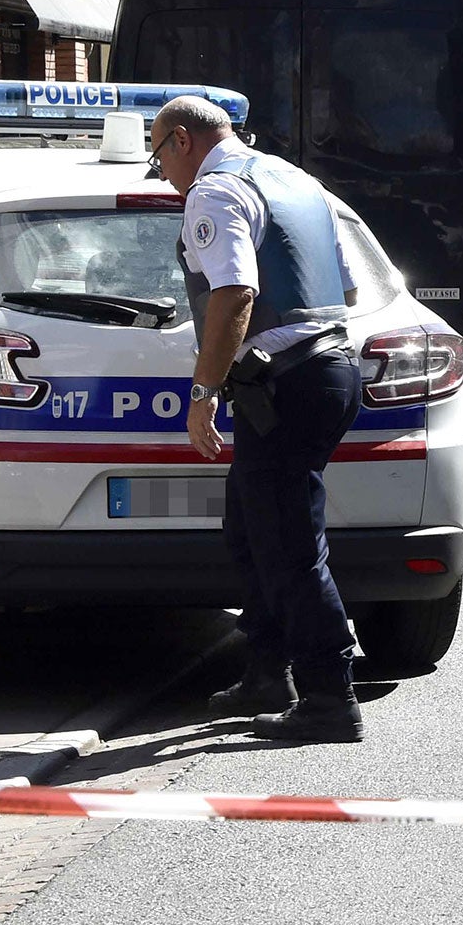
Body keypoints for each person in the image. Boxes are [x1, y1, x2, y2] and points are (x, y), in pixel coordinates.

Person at [150, 96, 366, 744]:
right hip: (325, 370)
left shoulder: (215, 193)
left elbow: (236, 292)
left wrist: (203, 392)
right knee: (250, 533)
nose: (163, 174)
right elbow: (347, 286)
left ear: (182, 141)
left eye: (159, 157)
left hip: (286, 382)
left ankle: (330, 697)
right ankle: (268, 670)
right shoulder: (293, 179)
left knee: (289, 547)